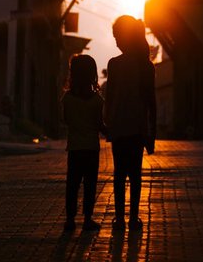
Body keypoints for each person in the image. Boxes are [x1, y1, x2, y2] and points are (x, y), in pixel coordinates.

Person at [104, 15, 157, 231]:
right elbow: (151, 103)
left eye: (117, 36)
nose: (116, 41)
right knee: (135, 175)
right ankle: (134, 218)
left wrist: (107, 124)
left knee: (119, 174)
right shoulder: (146, 66)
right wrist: (152, 133)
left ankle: (119, 219)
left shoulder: (114, 65)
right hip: (137, 129)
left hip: (119, 127)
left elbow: (110, 98)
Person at [61, 54, 104, 231]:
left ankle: (70, 219)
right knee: (90, 185)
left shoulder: (67, 99)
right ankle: (87, 219)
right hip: (92, 149)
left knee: (72, 184)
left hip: (75, 148)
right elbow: (99, 124)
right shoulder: (97, 100)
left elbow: (66, 120)